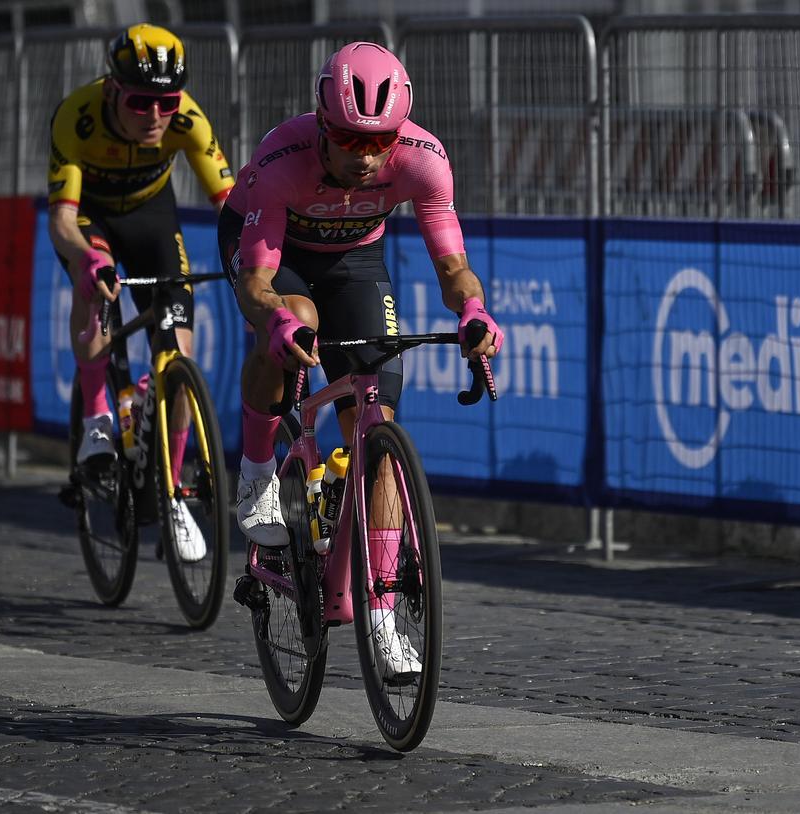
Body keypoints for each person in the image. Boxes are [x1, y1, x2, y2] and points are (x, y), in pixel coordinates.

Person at [217, 41, 503, 678]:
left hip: (354, 259)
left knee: (375, 423)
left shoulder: (424, 162)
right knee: (298, 324)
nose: (368, 156)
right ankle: (258, 470)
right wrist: (279, 319)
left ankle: (383, 616)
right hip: (272, 247)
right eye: (350, 140)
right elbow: (257, 287)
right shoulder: (282, 159)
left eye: (381, 142)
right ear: (322, 124)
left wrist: (474, 313)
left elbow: (453, 268)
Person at [47, 23, 234, 561]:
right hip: (90, 218)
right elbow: (61, 221)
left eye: (166, 103)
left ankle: (172, 491)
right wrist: (87, 260)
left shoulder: (188, 119)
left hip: (152, 217)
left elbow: (232, 208)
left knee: (179, 353)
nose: (155, 116)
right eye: (140, 102)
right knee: (97, 280)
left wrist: (256, 265)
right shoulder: (76, 117)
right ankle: (99, 417)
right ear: (112, 91)